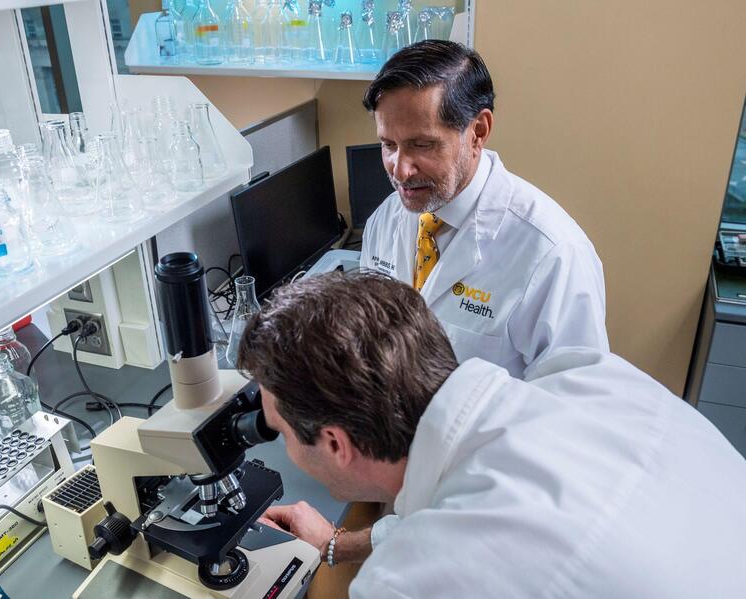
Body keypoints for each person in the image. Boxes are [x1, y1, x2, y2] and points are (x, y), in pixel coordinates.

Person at [242, 271, 746, 599]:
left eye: (281, 429)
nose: (281, 443)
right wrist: (336, 544)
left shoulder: (411, 583)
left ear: (335, 443)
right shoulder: (585, 374)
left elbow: (464, 550)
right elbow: (475, 518)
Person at [360, 40, 608, 379]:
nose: (400, 170)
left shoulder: (554, 254)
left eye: (422, 144)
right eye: (389, 145)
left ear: (478, 131)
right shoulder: (386, 218)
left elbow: (571, 406)